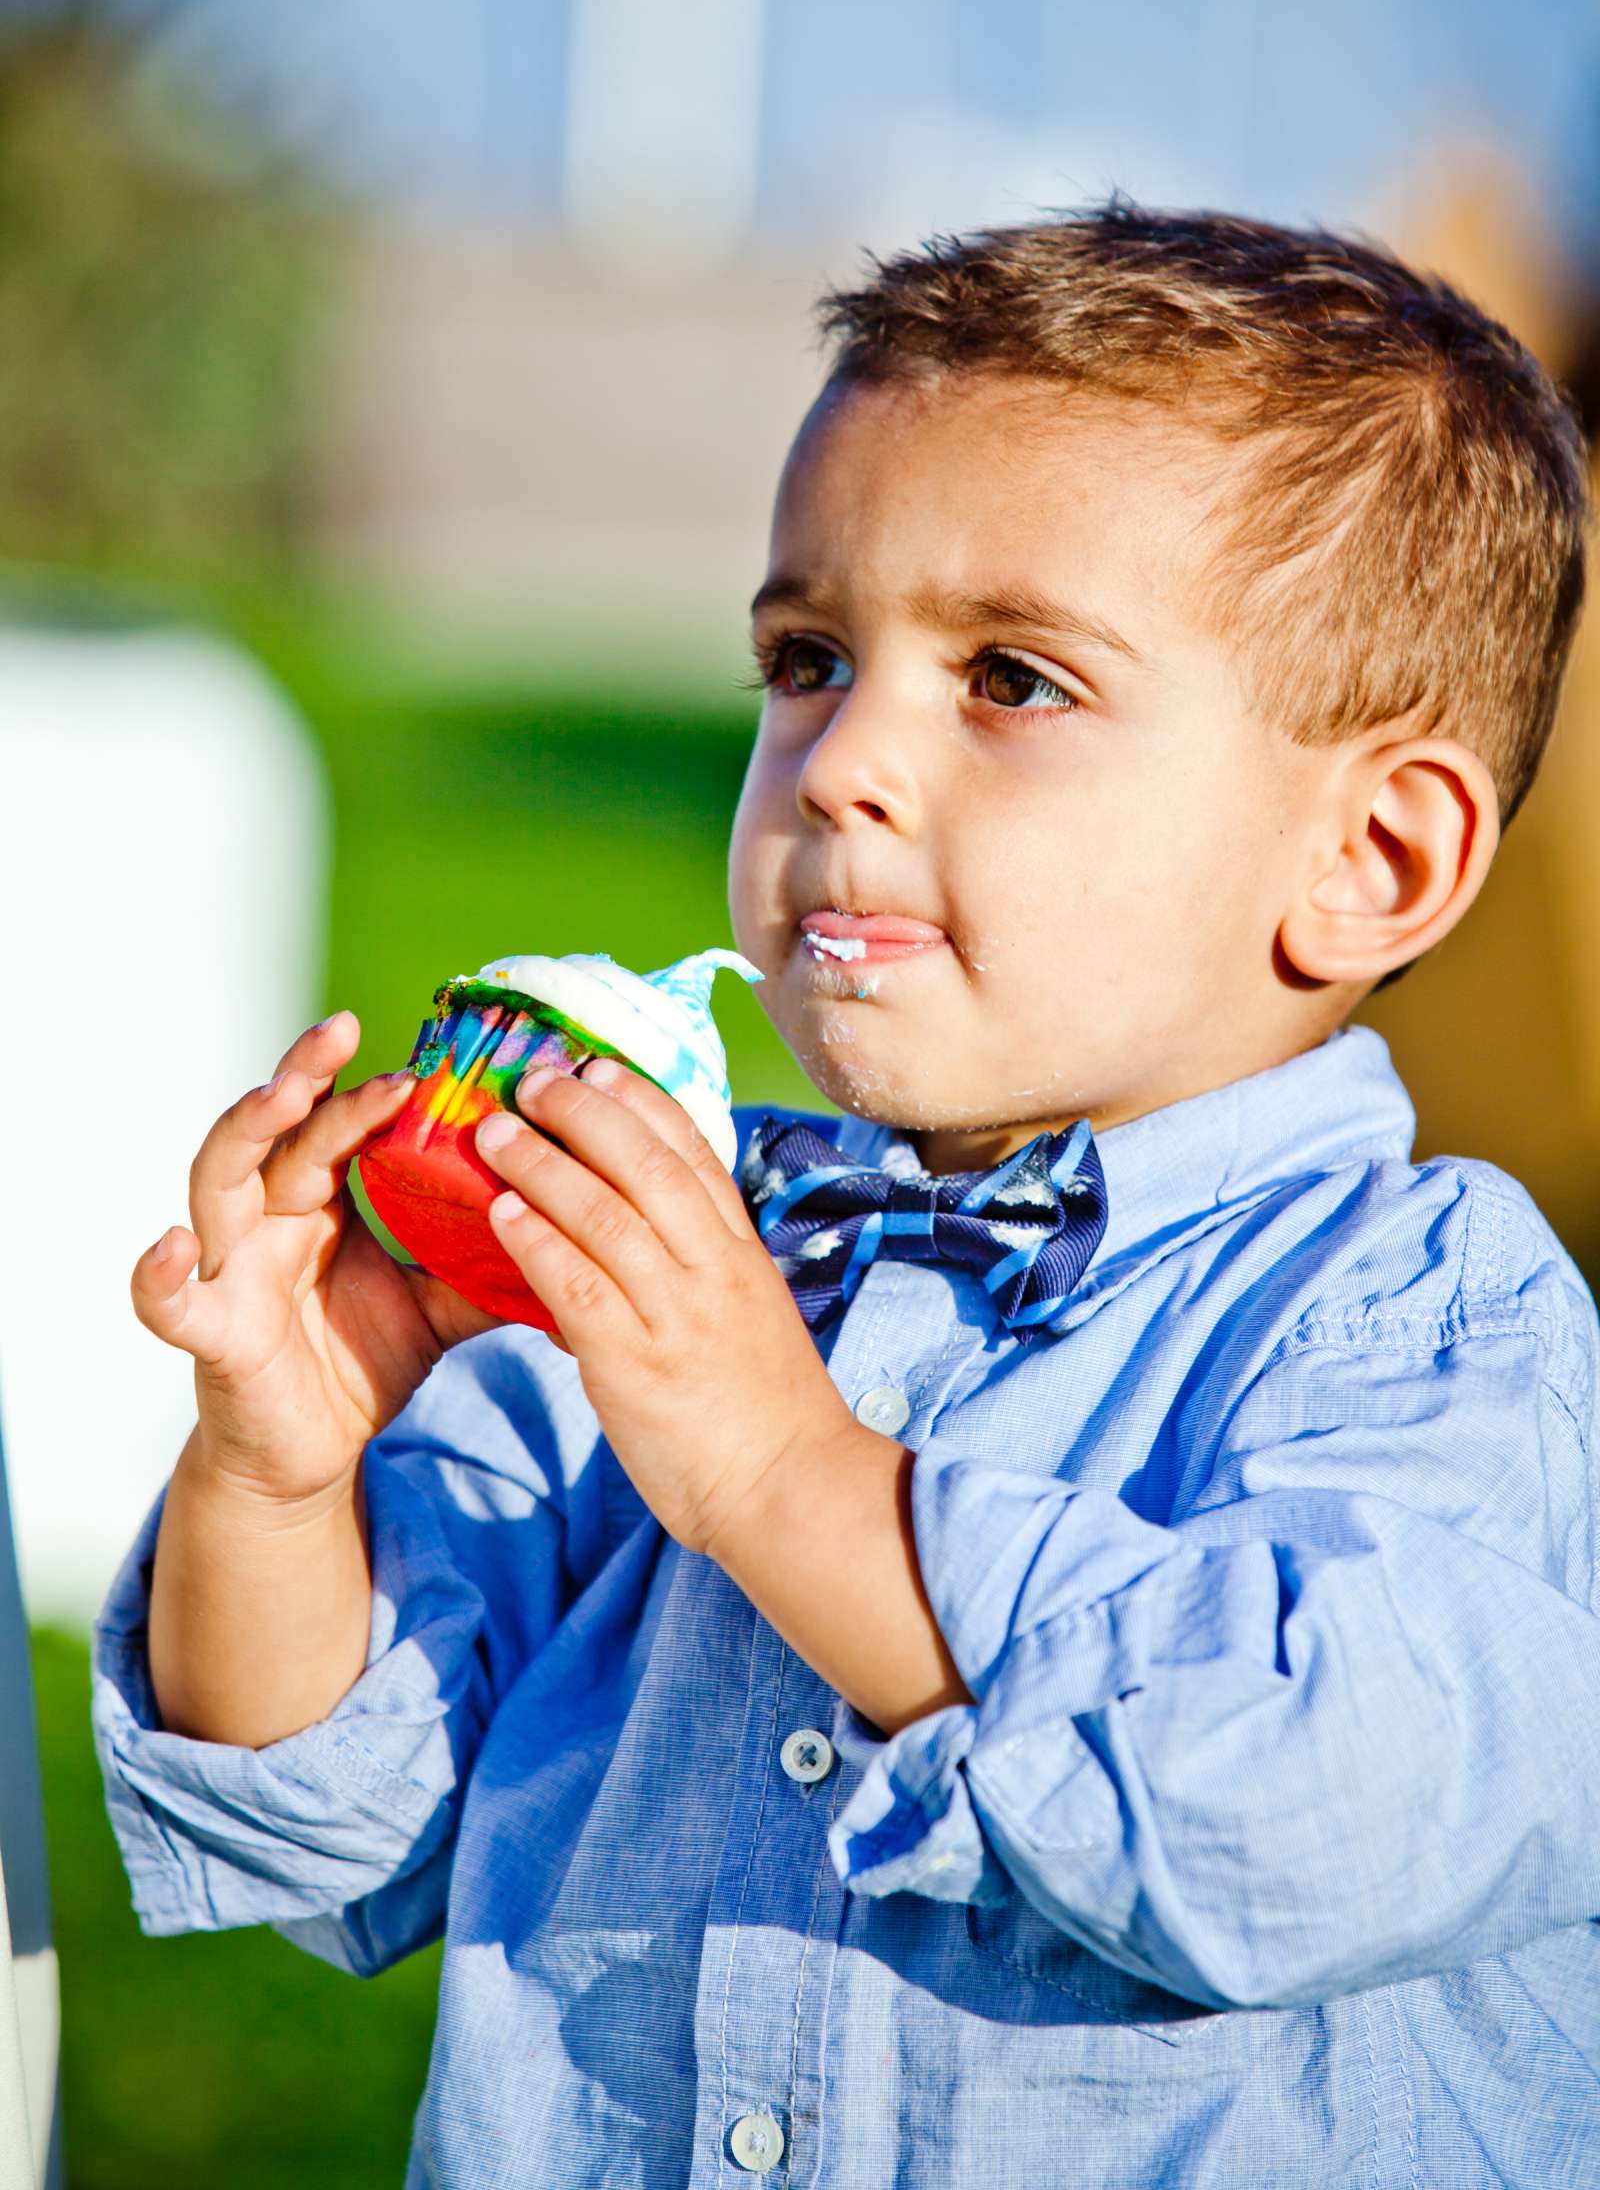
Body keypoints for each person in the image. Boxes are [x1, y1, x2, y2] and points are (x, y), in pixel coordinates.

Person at [93, 203, 1600, 2187]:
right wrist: (279, 1474)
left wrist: (784, 1472)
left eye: (1013, 679)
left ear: (1367, 863)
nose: (838, 762)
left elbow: (1314, 1813)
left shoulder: (1421, 1317)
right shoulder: (669, 1286)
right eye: (805, 658)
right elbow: (322, 1829)